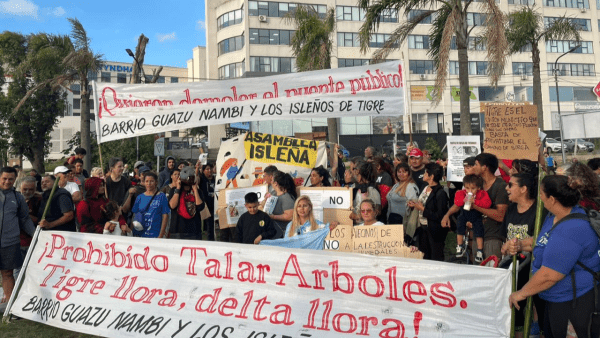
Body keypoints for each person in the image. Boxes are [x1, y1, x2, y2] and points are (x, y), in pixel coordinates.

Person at [507, 175, 600, 338]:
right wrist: (521, 244)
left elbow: (550, 275)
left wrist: (521, 293)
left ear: (552, 199)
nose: (539, 197)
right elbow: (544, 242)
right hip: (556, 298)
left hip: (573, 301)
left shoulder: (572, 228)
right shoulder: (554, 217)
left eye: (541, 194)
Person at [500, 173, 545, 337]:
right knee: (515, 317)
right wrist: (506, 247)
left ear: (524, 189)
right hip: (512, 273)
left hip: (533, 272)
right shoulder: (511, 208)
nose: (507, 188)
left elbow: (543, 241)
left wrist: (519, 245)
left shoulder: (540, 211)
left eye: (510, 185)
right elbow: (505, 236)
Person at [0, 167, 36, 304]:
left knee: (8, 273)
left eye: (10, 179)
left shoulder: (18, 197)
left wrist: (35, 235)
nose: (7, 181)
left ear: (15, 180)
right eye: (4, 178)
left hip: (10, 242)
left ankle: (10, 306)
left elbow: (25, 219)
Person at [407, 163, 448, 261]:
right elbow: (422, 203)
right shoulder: (425, 188)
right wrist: (414, 205)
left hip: (434, 231)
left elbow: (439, 216)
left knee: (435, 257)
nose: (423, 174)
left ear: (432, 176)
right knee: (425, 256)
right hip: (423, 228)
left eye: (426, 172)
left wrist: (422, 209)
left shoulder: (440, 193)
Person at [472, 153, 509, 259]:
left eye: (476, 164)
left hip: (493, 238)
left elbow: (500, 215)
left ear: (484, 167)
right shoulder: (478, 184)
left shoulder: (500, 186)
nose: (474, 167)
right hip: (478, 236)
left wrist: (475, 206)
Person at [452, 174, 492, 263]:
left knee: (479, 229)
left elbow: (487, 204)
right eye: (467, 188)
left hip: (476, 215)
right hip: (464, 214)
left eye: (473, 188)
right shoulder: (461, 193)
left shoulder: (482, 194)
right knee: (460, 224)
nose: (470, 191)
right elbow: (457, 203)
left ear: (478, 187)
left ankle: (480, 250)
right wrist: (463, 200)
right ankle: (460, 245)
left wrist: (476, 202)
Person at [168, 166, 205, 240]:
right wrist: (178, 188)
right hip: (177, 230)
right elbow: (172, 206)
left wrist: (195, 189)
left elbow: (200, 207)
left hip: (194, 231)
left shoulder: (198, 191)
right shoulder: (174, 190)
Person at [132, 172, 170, 238]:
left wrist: (160, 235)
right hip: (141, 235)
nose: (149, 184)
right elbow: (134, 216)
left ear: (156, 182)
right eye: (147, 181)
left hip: (156, 234)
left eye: (151, 181)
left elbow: (165, 216)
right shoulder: (139, 197)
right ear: (144, 182)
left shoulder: (162, 196)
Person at [269, 172, 297, 239]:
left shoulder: (286, 197)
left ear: (275, 183)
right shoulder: (273, 193)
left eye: (272, 180)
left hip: (282, 233)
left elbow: (289, 216)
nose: (270, 182)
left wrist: (272, 217)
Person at [199, 163, 216, 241]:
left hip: (215, 205)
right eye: (207, 169)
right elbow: (196, 178)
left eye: (210, 169)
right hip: (206, 206)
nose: (209, 171)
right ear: (203, 171)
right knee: (209, 226)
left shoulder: (215, 179)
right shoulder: (202, 179)